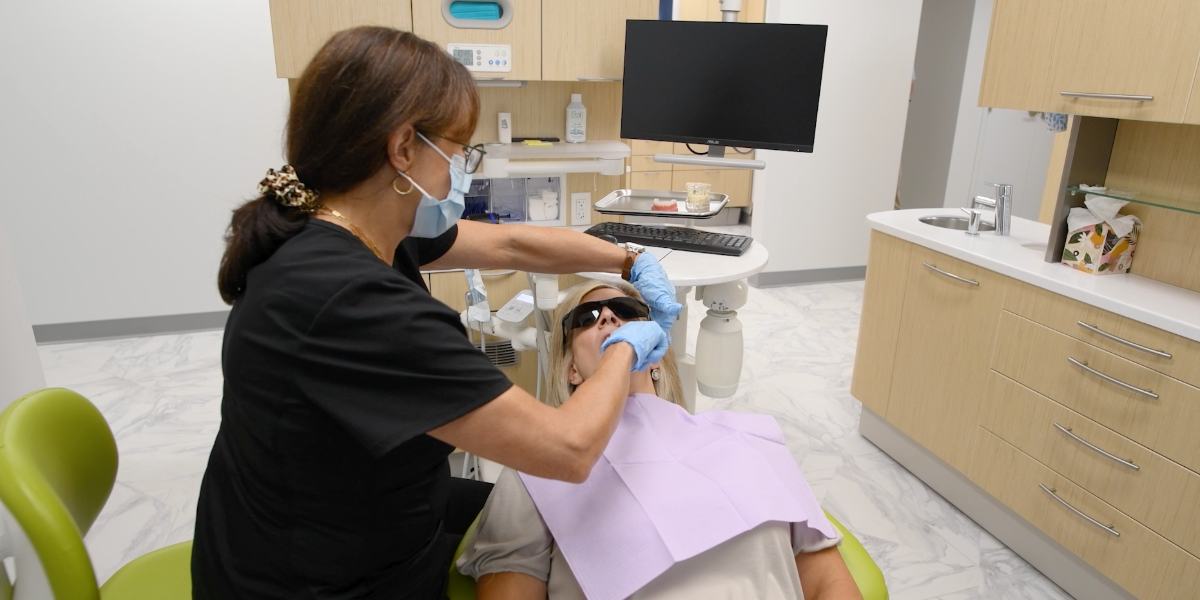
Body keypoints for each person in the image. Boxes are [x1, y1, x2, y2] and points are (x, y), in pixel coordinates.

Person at [192, 27, 681, 599]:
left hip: (345, 506)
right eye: (456, 153)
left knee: (549, 519)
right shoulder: (354, 302)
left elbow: (510, 246)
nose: (459, 173)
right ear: (403, 149)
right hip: (313, 577)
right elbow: (567, 451)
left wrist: (629, 259)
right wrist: (625, 345)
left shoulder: (355, 227)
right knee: (556, 527)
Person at [457, 281, 864, 600]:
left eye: (628, 313)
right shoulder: (538, 471)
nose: (609, 320)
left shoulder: (750, 439)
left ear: (656, 350)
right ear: (571, 372)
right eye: (587, 317)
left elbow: (827, 581)